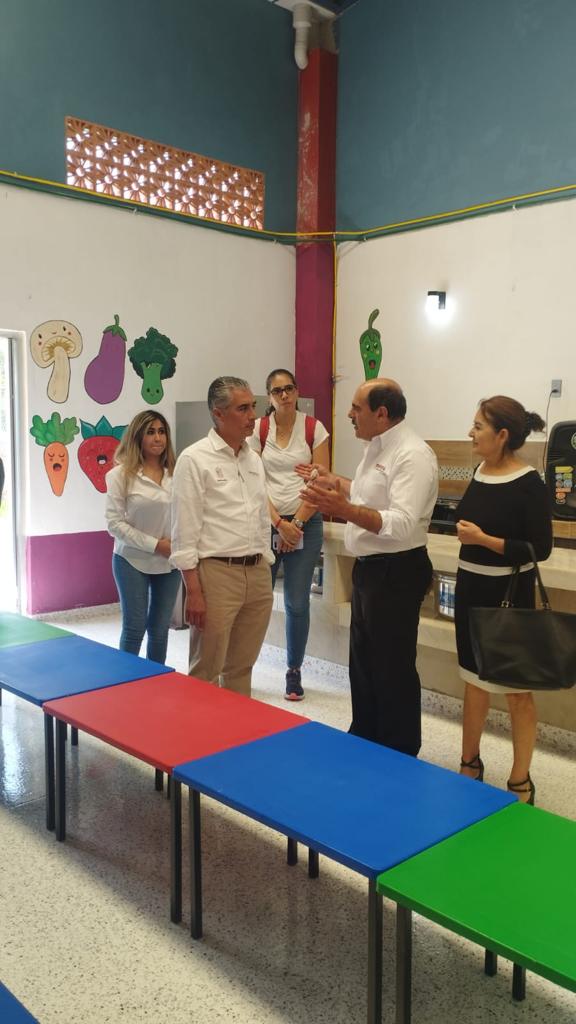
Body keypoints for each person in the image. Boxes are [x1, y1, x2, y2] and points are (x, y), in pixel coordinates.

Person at [299, 378, 438, 755]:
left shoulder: (412, 455)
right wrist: (337, 484)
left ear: (382, 413)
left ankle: (398, 751)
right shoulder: (376, 447)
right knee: (363, 663)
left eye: (356, 408)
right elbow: (369, 496)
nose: (349, 414)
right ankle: (366, 740)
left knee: (391, 666)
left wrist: (343, 509)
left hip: (397, 570)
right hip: (371, 569)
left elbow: (401, 523)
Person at [455, 396, 553, 804]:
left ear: (502, 435)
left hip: (508, 594)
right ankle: (469, 762)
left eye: (479, 426)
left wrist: (483, 540)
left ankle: (520, 779)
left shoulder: (530, 484)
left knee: (516, 690)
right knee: (474, 681)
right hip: (470, 590)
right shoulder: (479, 471)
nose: (471, 433)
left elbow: (539, 548)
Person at [170, 376, 274, 696]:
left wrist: (265, 561)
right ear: (218, 413)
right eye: (243, 409)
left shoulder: (253, 458)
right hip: (216, 573)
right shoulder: (194, 459)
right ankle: (201, 730)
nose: (252, 416)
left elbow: (260, 514)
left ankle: (237, 729)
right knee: (206, 669)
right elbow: (184, 530)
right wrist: (193, 590)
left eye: (253, 406)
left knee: (242, 666)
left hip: (257, 572)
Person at [249, 368, 329, 701]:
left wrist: (295, 524)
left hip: (305, 524)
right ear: (269, 396)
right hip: (266, 523)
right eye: (277, 390)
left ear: (296, 392)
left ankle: (293, 671)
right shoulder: (258, 429)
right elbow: (253, 481)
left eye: (290, 389)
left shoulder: (313, 429)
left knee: (297, 602)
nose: (285, 395)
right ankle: (242, 668)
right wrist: (278, 524)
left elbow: (321, 481)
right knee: (257, 601)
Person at [105, 411, 181, 664]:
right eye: (150, 432)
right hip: (131, 560)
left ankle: (155, 681)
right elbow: (114, 524)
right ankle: (125, 682)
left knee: (159, 631)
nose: (158, 438)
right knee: (134, 627)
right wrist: (156, 545)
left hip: (169, 561)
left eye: (161, 431)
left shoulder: (177, 474)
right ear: (137, 437)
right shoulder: (119, 475)